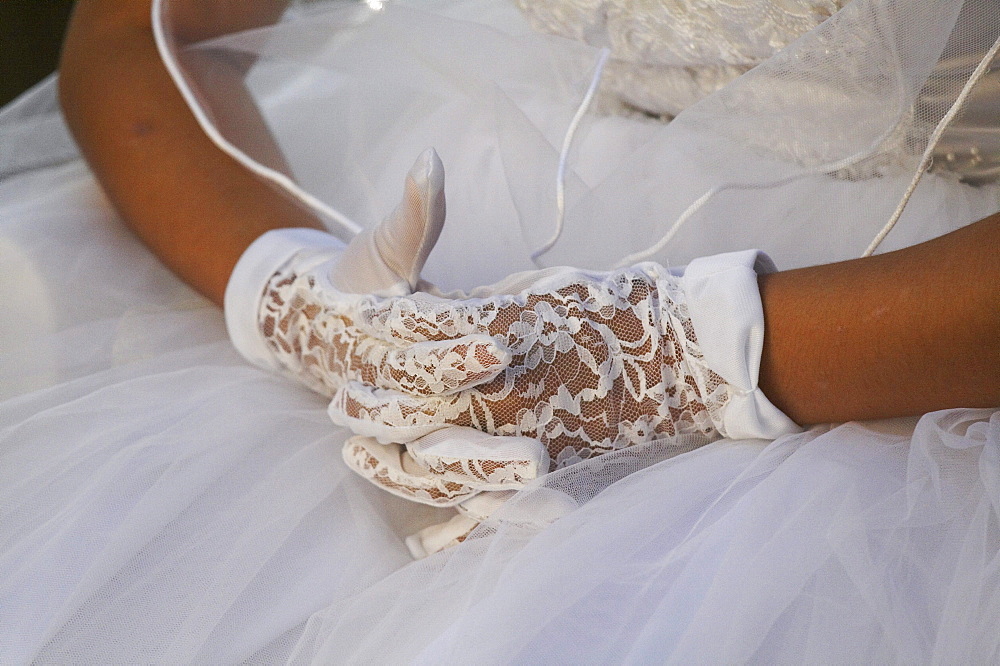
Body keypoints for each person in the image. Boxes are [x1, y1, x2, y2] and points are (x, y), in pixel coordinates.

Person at [2, 0, 998, 661]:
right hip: (474, 203)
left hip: (909, 328)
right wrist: (306, 305)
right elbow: (140, 28)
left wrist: (664, 355)